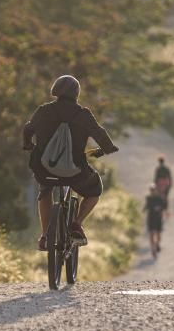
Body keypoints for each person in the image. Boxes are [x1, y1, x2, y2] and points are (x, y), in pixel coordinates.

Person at [23, 75, 119, 249]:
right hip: (76, 172)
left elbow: (28, 128)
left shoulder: (44, 111)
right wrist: (107, 149)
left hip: (46, 169)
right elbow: (100, 133)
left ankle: (45, 237)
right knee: (94, 190)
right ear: (77, 93)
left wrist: (28, 144)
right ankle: (77, 223)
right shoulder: (83, 114)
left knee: (45, 192)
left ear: (55, 91)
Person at [145, 183, 166, 258]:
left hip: (158, 219)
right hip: (151, 218)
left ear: (156, 190)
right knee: (151, 234)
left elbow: (163, 208)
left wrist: (163, 215)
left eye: (153, 190)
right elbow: (146, 207)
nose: (152, 191)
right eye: (151, 190)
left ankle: (157, 244)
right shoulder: (148, 198)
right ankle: (153, 249)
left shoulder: (160, 198)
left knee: (159, 235)